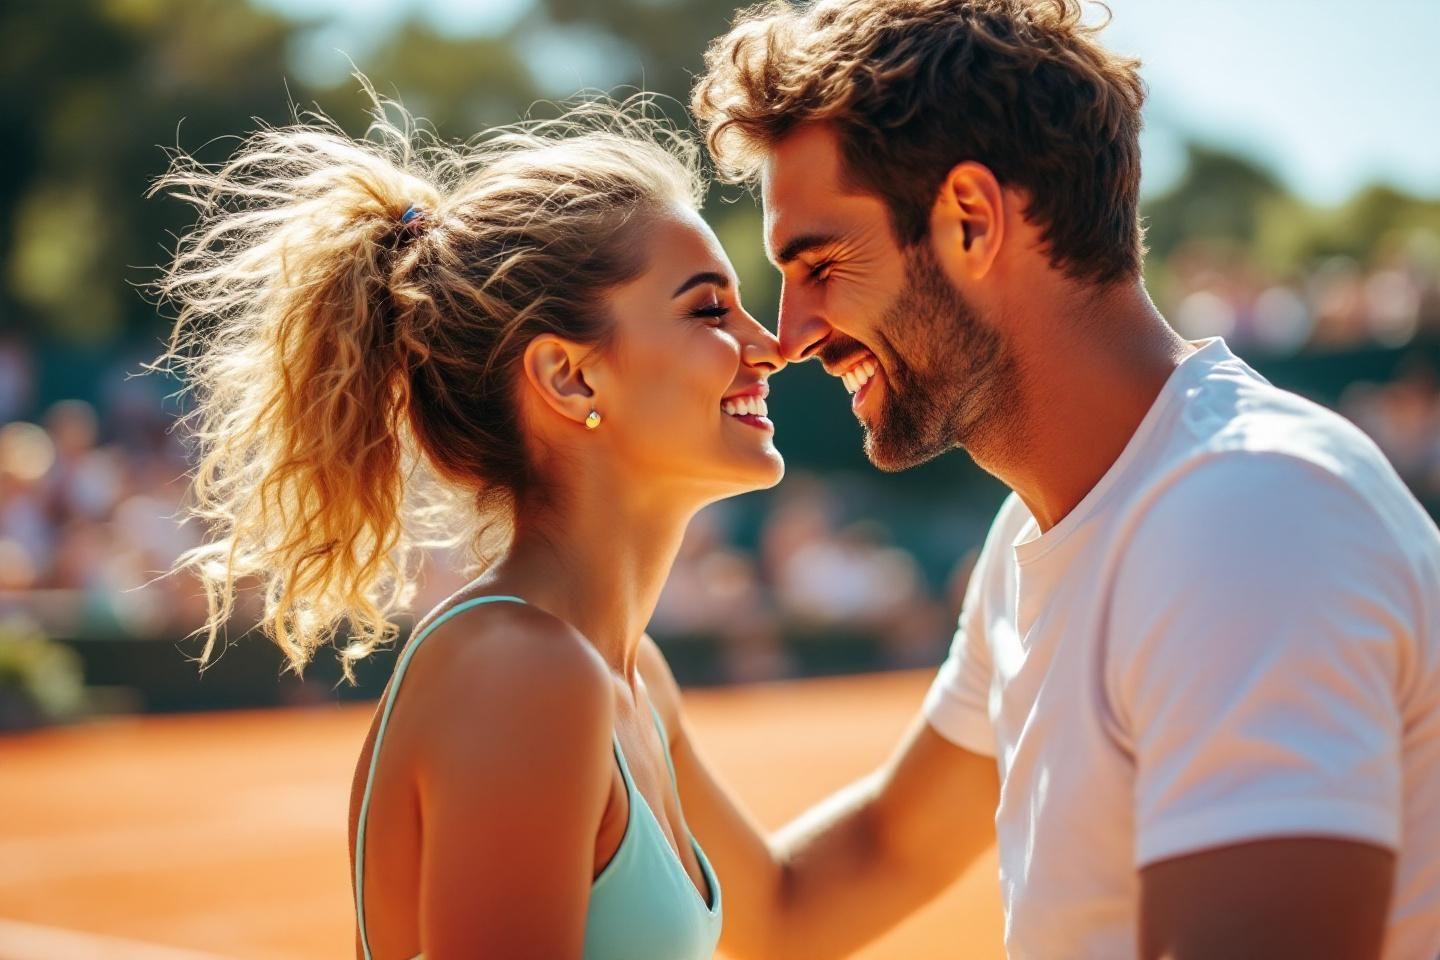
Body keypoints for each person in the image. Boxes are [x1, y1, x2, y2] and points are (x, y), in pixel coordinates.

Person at [646, 1, 1440, 958]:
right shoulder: (1042, 524)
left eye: (819, 263)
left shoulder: (1248, 513)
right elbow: (806, 905)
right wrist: (619, 669)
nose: (793, 335)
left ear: (973, 220)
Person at [149, 87, 787, 958]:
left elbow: (791, 913)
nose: (769, 345)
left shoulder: (627, 674)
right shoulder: (524, 672)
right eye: (710, 309)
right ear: (568, 377)